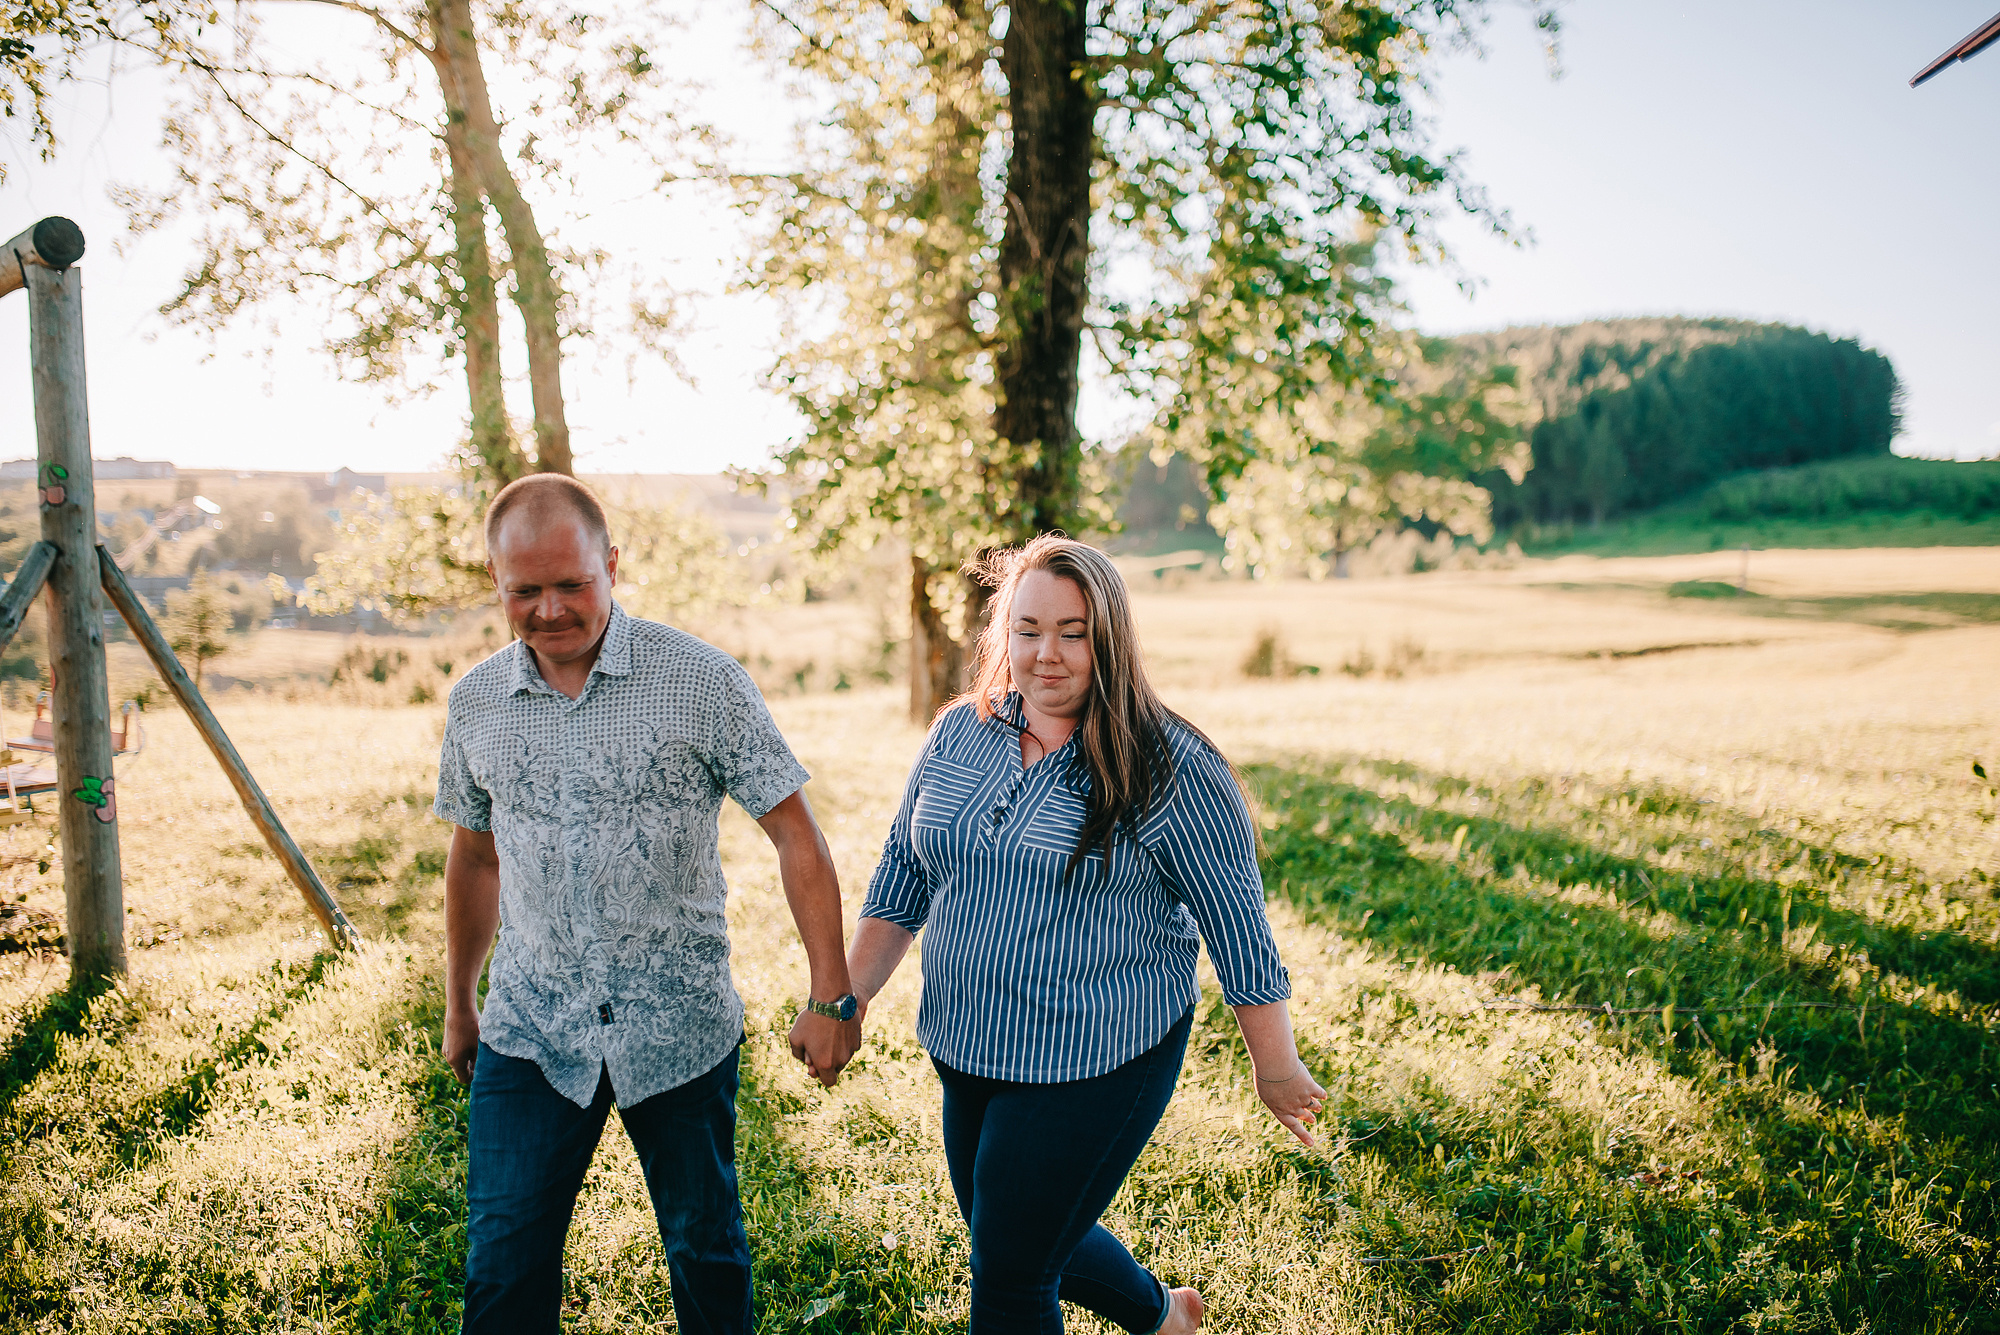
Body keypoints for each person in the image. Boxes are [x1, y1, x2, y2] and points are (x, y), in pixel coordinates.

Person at [838, 533, 1327, 1334]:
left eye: (1074, 632)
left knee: (1009, 1274)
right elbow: (904, 872)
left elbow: (1237, 928)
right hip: (971, 1041)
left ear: (1110, 640)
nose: (1049, 654)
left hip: (1098, 1052)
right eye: (1029, 629)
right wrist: (844, 999)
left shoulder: (1166, 764)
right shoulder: (960, 733)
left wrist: (1275, 1067)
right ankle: (1163, 1317)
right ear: (1003, 633)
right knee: (1008, 1227)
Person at [434, 474, 863, 1335]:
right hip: (531, 1024)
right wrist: (459, 1003)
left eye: (572, 583)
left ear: (613, 565)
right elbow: (476, 856)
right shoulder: (475, 703)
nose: (550, 608)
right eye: (525, 589)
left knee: (706, 1253)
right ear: (495, 582)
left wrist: (831, 992)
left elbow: (796, 835)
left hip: (678, 1026)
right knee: (501, 1270)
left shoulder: (700, 680)